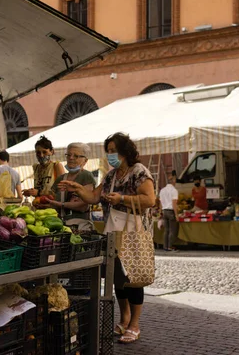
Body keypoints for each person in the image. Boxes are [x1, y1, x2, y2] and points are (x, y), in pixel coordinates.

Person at [58, 133, 155, 345]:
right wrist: (77, 189)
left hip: (134, 232)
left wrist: (123, 198)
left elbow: (150, 199)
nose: (110, 155)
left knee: (133, 277)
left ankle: (135, 325)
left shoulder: (139, 172)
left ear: (125, 151)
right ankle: (124, 318)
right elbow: (93, 197)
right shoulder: (111, 176)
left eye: (113, 150)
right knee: (117, 277)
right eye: (108, 151)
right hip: (114, 230)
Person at [48, 143, 96, 231]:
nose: (71, 158)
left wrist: (61, 205)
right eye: (68, 155)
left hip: (79, 228)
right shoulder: (61, 178)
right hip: (59, 226)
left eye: (76, 156)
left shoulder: (86, 176)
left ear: (85, 161)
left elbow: (83, 205)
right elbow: (52, 200)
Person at [159, 172, 179, 251]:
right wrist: (176, 215)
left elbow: (160, 203)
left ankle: (165, 246)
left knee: (166, 230)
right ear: (173, 182)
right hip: (171, 212)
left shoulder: (162, 190)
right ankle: (170, 246)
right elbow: (174, 203)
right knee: (172, 230)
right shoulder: (174, 190)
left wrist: (160, 212)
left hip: (164, 211)